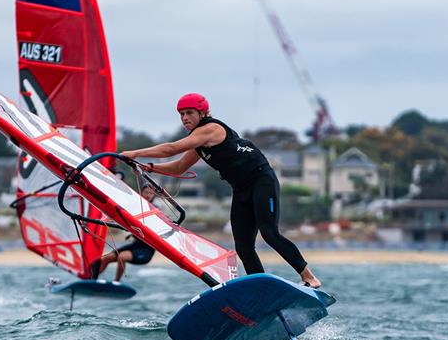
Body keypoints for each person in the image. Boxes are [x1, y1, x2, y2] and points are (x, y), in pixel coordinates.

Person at [120, 93, 321, 288]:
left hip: (261, 180)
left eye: (189, 113)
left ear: (203, 113)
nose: (184, 118)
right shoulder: (199, 141)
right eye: (181, 114)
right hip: (241, 189)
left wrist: (137, 152)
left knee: (269, 233)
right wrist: (150, 167)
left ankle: (309, 277)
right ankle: (260, 289)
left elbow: (172, 148)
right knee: (243, 246)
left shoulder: (211, 129)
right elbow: (179, 167)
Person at [91, 184, 157, 282]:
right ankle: (92, 281)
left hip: (146, 251)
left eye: (151, 193)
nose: (148, 195)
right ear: (141, 193)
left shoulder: (154, 211)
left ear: (154, 196)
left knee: (122, 257)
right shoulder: (135, 208)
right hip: (135, 245)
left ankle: (116, 282)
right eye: (146, 192)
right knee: (106, 258)